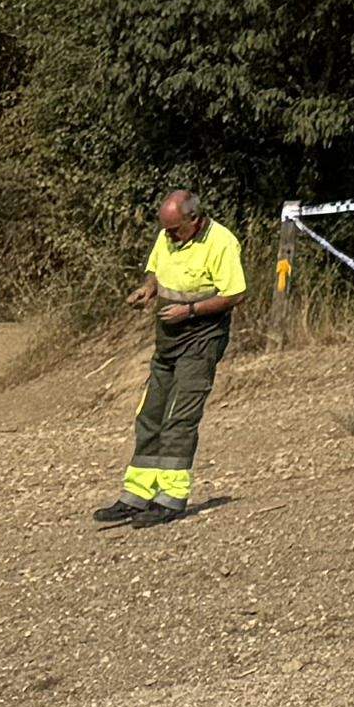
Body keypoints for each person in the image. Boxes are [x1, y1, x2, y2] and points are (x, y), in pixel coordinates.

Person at [106, 183, 243, 522]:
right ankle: (137, 493)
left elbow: (235, 294)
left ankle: (171, 497)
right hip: (167, 340)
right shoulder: (168, 236)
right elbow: (156, 269)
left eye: (175, 229)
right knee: (150, 414)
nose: (169, 236)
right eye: (165, 230)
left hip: (201, 339)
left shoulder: (221, 242)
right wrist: (147, 289)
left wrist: (191, 310)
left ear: (194, 219)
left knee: (179, 418)